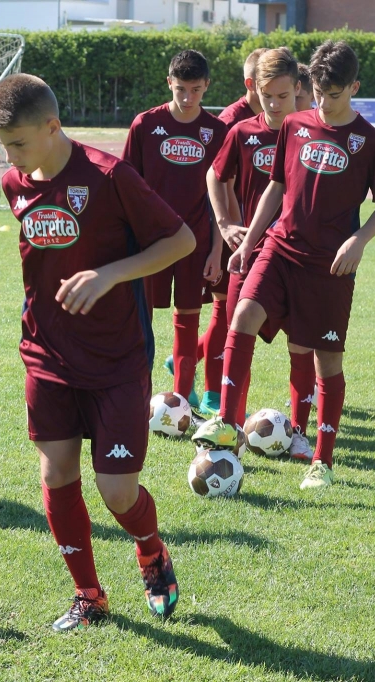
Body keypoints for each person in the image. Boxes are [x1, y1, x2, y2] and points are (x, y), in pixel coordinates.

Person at [0, 74, 195, 630]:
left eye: (19, 143)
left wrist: (109, 274)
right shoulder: (14, 183)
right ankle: (88, 595)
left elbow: (181, 241)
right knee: (56, 474)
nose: (11, 157)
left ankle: (150, 548)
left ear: (53, 126)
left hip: (117, 357)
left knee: (117, 492)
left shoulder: (109, 176)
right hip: (46, 352)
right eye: (4, 146)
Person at [193, 40, 375, 490]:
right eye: (318, 93)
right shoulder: (296, 124)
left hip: (330, 267)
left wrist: (359, 240)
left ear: (354, 88)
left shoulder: (370, 140)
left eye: (333, 95)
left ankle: (322, 461)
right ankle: (226, 420)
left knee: (326, 360)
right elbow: (277, 188)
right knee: (242, 315)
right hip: (280, 248)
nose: (323, 103)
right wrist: (248, 241)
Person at [206, 48, 307, 458]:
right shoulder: (242, 132)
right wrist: (225, 224)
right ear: (255, 90)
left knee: (302, 345)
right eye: (267, 96)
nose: (275, 104)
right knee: (238, 331)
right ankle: (230, 423)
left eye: (283, 96)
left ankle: (300, 431)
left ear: (297, 89)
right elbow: (215, 175)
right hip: (250, 253)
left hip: (300, 256)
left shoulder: (312, 134)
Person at [123, 50, 226, 414]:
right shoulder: (145, 125)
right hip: (150, 245)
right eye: (181, 88)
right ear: (169, 82)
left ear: (207, 85)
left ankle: (180, 403)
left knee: (187, 322)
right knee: (141, 323)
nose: (187, 97)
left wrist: (217, 251)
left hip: (195, 244)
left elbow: (221, 200)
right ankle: (136, 397)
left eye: (195, 89)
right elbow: (125, 188)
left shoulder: (217, 132)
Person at [188, 47, 269, 419]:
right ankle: (211, 391)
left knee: (238, 312)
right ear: (252, 84)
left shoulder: (278, 119)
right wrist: (227, 234)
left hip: (255, 234)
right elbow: (220, 183)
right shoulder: (233, 121)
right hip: (230, 234)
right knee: (226, 309)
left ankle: (191, 356)